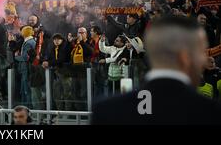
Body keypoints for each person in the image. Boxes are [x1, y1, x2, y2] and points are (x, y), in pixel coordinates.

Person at [92, 16, 221, 125]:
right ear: (185, 57)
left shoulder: (107, 111)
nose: (204, 59)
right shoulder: (210, 113)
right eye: (200, 52)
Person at [15, 26, 36, 108]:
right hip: (27, 68)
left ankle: (26, 108)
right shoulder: (32, 41)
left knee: (25, 89)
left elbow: (25, 58)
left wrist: (16, 57)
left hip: (26, 69)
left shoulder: (28, 43)